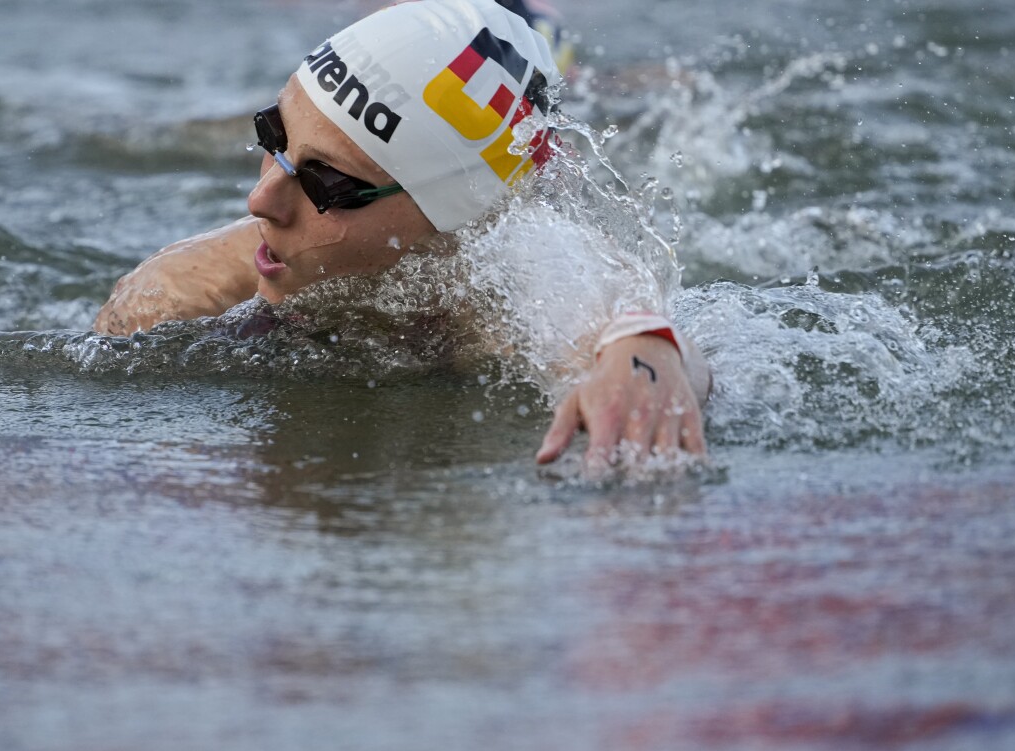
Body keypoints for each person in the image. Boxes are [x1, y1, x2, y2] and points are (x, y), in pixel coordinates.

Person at [94, 0, 711, 471]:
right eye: (272, 138)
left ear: (454, 226)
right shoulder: (183, 290)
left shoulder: (501, 286)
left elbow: (623, 322)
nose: (260, 200)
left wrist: (648, 352)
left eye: (327, 185)